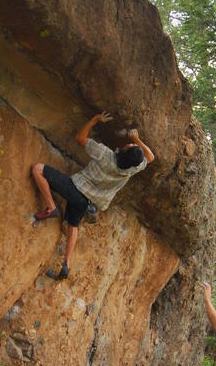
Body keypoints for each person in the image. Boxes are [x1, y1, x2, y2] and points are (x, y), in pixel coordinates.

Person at [31, 111, 154, 279]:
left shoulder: (105, 154)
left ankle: (51, 207)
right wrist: (137, 141)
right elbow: (150, 157)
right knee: (72, 226)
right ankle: (66, 264)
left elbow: (80, 138)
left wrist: (96, 119)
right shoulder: (131, 169)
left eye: (132, 147)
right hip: (87, 202)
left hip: (74, 188)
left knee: (38, 169)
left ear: (125, 151)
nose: (133, 145)